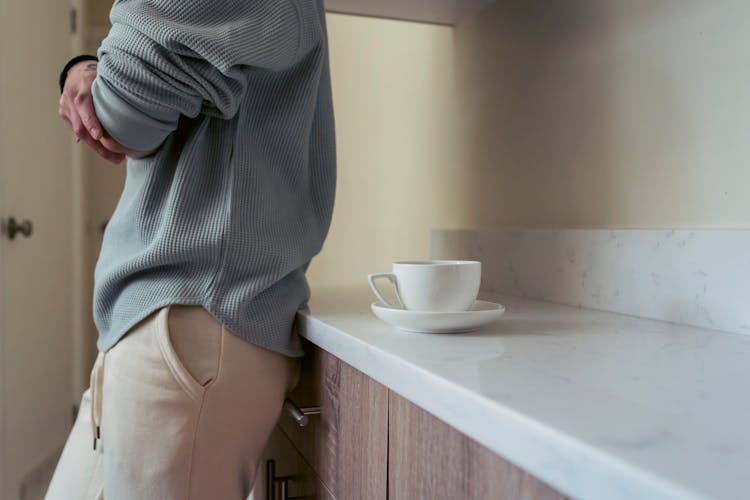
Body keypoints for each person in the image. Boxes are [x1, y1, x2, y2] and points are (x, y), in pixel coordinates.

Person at [47, 0, 335, 498]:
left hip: (188, 323)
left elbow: (122, 115)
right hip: (171, 323)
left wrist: (95, 74)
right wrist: (85, 69)